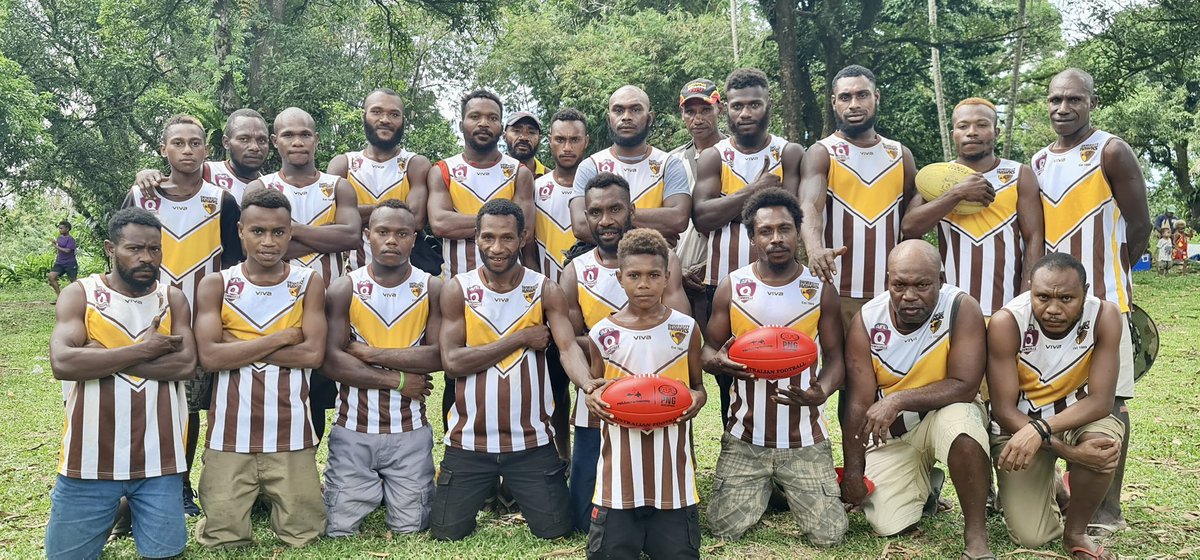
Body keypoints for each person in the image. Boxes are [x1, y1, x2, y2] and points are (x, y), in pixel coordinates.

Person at [431, 199, 594, 541]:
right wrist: (519, 338)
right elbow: (453, 362)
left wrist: (590, 387)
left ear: (522, 238)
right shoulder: (458, 289)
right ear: (476, 237)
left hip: (531, 442)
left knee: (556, 531)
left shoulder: (545, 289)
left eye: (507, 238)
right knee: (447, 532)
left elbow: (567, 349)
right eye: (488, 237)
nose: (497, 247)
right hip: (469, 442)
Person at [1032, 68, 1151, 536]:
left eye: (1074, 100)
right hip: (1054, 308)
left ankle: (1108, 508)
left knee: (1111, 404)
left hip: (1106, 304)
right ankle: (1060, 493)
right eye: (1055, 99)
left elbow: (1139, 225)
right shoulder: (1039, 160)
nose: (1063, 108)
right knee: (1055, 397)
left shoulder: (1111, 150)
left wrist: (1111, 275)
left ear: (1091, 103)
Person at [46, 207, 197, 560]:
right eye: (134, 248)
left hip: (161, 461)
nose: (147, 257)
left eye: (154, 249)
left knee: (165, 554)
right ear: (110, 248)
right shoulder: (81, 295)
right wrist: (146, 349)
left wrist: (100, 358)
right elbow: (64, 362)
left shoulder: (172, 298)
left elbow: (186, 364)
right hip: (87, 460)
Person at [702, 188, 848, 545]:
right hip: (745, 436)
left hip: (805, 438)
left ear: (799, 233)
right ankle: (763, 489)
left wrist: (821, 391)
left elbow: (836, 358)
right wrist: (716, 363)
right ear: (753, 238)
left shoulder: (819, 288)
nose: (776, 238)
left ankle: (783, 489)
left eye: (785, 228)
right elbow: (707, 350)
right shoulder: (732, 287)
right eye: (765, 230)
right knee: (724, 529)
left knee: (830, 537)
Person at [123, 114, 244, 517]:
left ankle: (188, 484)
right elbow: (122, 252)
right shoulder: (142, 196)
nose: (187, 150)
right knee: (153, 404)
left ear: (207, 150)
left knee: (198, 407)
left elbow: (234, 262)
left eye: (195, 143)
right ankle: (147, 484)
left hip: (205, 322)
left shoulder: (221, 200)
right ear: (163, 150)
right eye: (178, 143)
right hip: (149, 321)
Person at [192, 188, 328, 548]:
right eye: (258, 231)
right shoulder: (216, 284)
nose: (268, 241)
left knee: (304, 534)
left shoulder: (307, 282)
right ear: (240, 231)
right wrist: (281, 338)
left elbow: (313, 355)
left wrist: (235, 346)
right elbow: (209, 358)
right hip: (229, 433)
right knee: (222, 537)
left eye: (279, 232)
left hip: (292, 431)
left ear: (290, 232)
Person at [840, 240, 993, 560]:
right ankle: (928, 485)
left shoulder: (960, 308)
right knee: (886, 523)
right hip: (894, 432)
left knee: (963, 425)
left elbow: (965, 386)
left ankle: (976, 537)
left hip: (944, 414)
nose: (909, 295)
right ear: (888, 282)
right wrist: (854, 472)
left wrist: (897, 400)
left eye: (922, 285)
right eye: (899, 285)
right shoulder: (867, 320)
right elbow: (857, 402)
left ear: (940, 278)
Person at [560, 171, 690, 532]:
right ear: (585, 217)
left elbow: (681, 331)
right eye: (596, 212)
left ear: (631, 209)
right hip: (599, 404)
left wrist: (612, 341)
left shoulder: (664, 263)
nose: (606, 220)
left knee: (662, 514)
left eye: (615, 209)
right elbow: (567, 343)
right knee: (585, 522)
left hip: (661, 397)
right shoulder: (575, 272)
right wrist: (590, 387)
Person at [987, 252, 1124, 560]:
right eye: (1043, 297)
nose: (1053, 309)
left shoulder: (1105, 317)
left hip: (1075, 416)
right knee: (1032, 536)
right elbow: (1004, 410)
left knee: (1102, 446)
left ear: (1085, 293)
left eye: (1066, 298)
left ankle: (1075, 532)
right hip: (1017, 427)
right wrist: (1069, 453)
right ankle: (1056, 486)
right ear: (1030, 289)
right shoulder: (1007, 322)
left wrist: (1044, 429)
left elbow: (1101, 400)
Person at [582, 228, 707, 559]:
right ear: (620, 278)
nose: (643, 284)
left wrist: (697, 398)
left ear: (667, 277)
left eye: (653, 275)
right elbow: (596, 390)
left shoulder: (685, 328)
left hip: (675, 482)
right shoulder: (602, 333)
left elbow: (698, 387)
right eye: (634, 275)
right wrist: (590, 398)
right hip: (616, 483)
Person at [322, 199, 442, 536]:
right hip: (352, 430)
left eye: (402, 233)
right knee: (339, 528)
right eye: (383, 232)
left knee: (411, 527)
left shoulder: (431, 287)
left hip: (410, 432)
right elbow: (331, 360)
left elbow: (437, 357)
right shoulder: (345, 287)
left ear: (414, 239)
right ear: (367, 236)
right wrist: (398, 380)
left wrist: (368, 352)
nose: (392, 240)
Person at [693, 67, 805, 424]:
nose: (746, 114)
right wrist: (756, 190)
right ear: (726, 108)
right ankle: (736, 439)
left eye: (754, 104)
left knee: (786, 362)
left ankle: (787, 440)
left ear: (768, 104)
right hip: (722, 284)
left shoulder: (789, 152)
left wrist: (728, 202)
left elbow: (792, 213)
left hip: (780, 282)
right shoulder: (714, 156)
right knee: (729, 368)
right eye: (738, 106)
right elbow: (702, 217)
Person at [244, 107, 361, 443]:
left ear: (316, 140)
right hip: (272, 306)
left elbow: (350, 237)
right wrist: (324, 237)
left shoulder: (338, 187)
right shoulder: (260, 187)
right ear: (274, 142)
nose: (297, 141)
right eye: (288, 135)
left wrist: (291, 230)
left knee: (318, 395)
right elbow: (258, 249)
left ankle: (305, 468)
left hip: (326, 306)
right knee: (271, 388)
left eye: (305, 134)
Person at [901, 97, 1045, 314]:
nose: (972, 132)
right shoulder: (936, 176)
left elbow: (1033, 238)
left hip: (1006, 306)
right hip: (949, 306)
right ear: (953, 135)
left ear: (996, 132)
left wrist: (1026, 298)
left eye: (982, 125)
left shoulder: (1019, 174)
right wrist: (958, 193)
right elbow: (910, 228)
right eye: (963, 126)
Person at [798, 64, 916, 327]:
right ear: (833, 102)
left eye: (862, 95)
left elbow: (913, 223)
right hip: (838, 290)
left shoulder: (900, 155)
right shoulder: (822, 152)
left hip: (893, 293)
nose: (853, 104)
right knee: (839, 367)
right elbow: (809, 205)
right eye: (845, 97)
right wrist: (814, 248)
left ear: (876, 97)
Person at [428, 89, 537, 279]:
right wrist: (504, 226)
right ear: (461, 125)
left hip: (511, 287)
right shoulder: (443, 170)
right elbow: (440, 224)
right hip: (455, 284)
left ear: (501, 127)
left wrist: (461, 223)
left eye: (492, 118)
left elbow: (524, 232)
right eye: (475, 116)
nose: (484, 123)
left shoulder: (519, 173)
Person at [533, 108, 591, 460]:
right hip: (544, 301)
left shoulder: (599, 189)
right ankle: (561, 456)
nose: (567, 146)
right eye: (559, 139)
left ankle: (592, 454)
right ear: (549, 142)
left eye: (574, 139)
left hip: (590, 299)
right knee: (552, 384)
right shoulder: (535, 188)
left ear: (586, 142)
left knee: (591, 371)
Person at [327, 88, 436, 273]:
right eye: (377, 112)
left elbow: (415, 221)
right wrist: (399, 212)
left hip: (410, 279)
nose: (385, 119)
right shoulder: (343, 164)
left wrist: (354, 214)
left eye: (394, 114)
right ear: (364, 115)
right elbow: (333, 222)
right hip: (353, 278)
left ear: (403, 120)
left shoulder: (415, 164)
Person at [569, 85, 691, 246]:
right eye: (618, 110)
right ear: (609, 118)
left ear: (650, 118)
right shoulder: (591, 166)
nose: (626, 117)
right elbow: (580, 225)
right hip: (603, 269)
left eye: (635, 110)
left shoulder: (669, 165)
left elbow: (678, 219)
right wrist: (653, 237)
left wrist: (607, 223)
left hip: (657, 269)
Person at [668, 77, 724, 328]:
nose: (698, 119)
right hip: (682, 275)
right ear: (682, 115)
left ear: (719, 110)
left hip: (727, 273)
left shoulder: (737, 154)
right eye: (690, 112)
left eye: (705, 110)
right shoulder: (671, 160)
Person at [135, 109, 270, 205]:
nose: (254, 147)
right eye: (244, 139)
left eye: (262, 140)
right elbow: (174, 180)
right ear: (226, 142)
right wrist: (145, 175)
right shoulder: (207, 171)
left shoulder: (271, 187)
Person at [505, 110, 548, 177]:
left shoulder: (549, 179)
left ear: (540, 139)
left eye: (531, 132)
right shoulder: (493, 174)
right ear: (504, 135)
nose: (524, 138)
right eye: (517, 131)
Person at [49, 220, 78, 299]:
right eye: (59, 228)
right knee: (51, 277)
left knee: (73, 282)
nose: (60, 230)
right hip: (60, 262)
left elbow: (67, 250)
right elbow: (60, 247)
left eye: (62, 228)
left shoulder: (71, 239)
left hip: (70, 263)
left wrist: (55, 246)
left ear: (67, 229)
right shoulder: (59, 237)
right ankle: (59, 296)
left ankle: (79, 297)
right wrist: (56, 243)